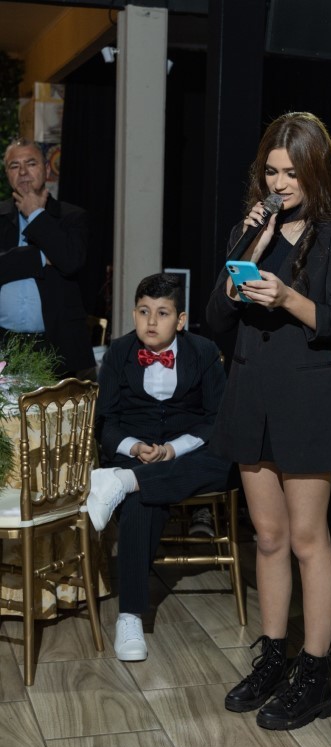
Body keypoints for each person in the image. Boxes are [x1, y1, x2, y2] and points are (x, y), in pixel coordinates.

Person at [206, 111, 331, 731]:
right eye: (271, 172)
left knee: (306, 539)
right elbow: (216, 318)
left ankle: (314, 674)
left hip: (306, 398)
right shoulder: (251, 229)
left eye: (291, 173)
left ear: (315, 172)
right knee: (267, 538)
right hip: (250, 393)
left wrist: (289, 297)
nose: (279, 183)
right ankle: (273, 658)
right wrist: (250, 247)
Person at [86, 273, 231, 661]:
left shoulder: (203, 352)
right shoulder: (119, 352)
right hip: (132, 451)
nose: (151, 321)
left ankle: (124, 482)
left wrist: (172, 450)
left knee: (230, 465)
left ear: (180, 320)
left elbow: (216, 420)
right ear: (134, 314)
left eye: (162, 313)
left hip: (186, 453)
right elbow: (105, 422)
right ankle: (130, 616)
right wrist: (134, 447)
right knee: (142, 501)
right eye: (144, 311)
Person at [0, 138, 95, 377]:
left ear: (46, 168)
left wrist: (36, 215)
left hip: (57, 345)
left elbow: (70, 262)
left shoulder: (71, 217)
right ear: (7, 174)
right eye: (14, 166)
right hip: (3, 344)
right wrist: (42, 257)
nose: (23, 172)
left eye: (31, 163)